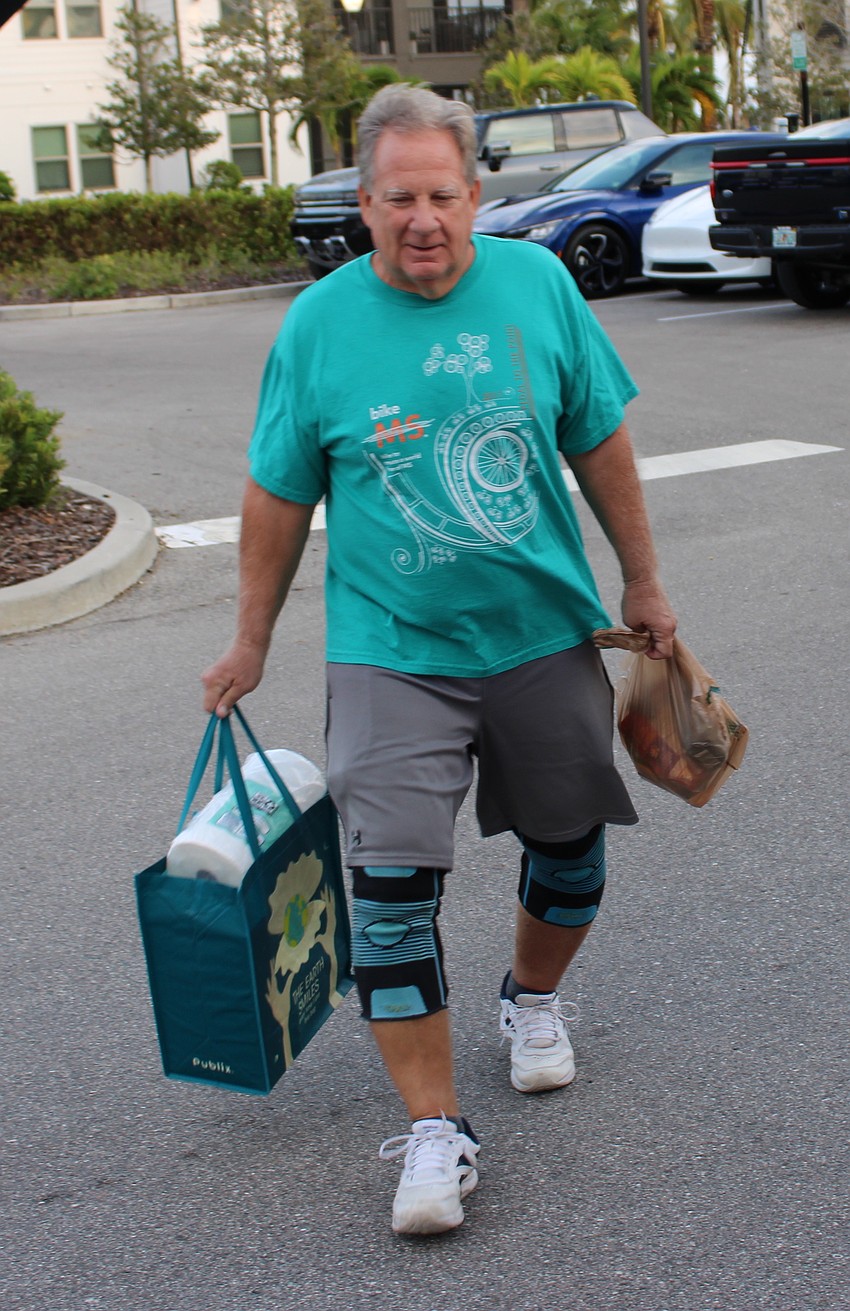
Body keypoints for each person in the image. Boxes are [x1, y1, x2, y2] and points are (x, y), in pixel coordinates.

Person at [202, 84, 676, 1237]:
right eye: (399, 198)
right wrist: (250, 638)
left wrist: (642, 580)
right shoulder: (318, 325)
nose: (424, 219)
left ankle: (531, 999)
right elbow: (278, 492)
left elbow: (598, 437)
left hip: (540, 631)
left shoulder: (538, 285)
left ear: (476, 197)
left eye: (444, 195)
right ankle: (432, 1130)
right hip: (391, 650)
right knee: (388, 900)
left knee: (570, 857)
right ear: (363, 205)